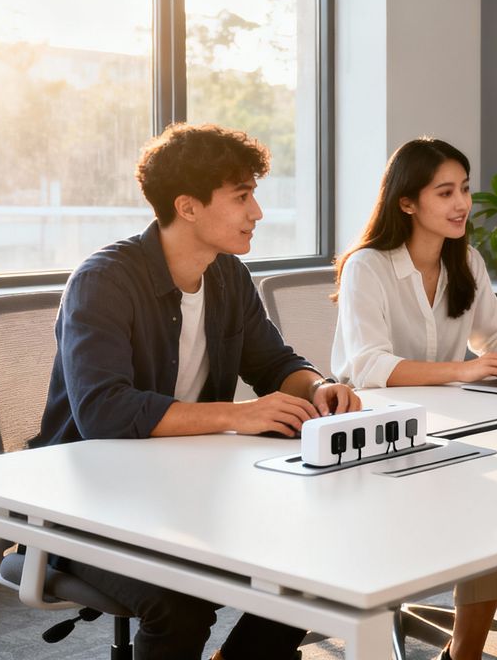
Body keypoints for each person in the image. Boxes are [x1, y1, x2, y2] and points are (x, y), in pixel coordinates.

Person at [30, 122, 360, 660]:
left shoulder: (228, 276)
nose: (257, 213)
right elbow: (104, 413)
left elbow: (274, 362)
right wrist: (239, 415)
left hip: (187, 490)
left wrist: (321, 387)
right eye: (242, 197)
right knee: (180, 604)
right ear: (187, 206)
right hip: (88, 504)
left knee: (318, 559)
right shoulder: (104, 281)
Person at [331, 137, 497, 660]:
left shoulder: (466, 260)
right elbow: (367, 366)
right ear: (407, 201)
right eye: (445, 192)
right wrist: (466, 368)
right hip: (372, 438)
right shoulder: (368, 265)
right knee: (481, 497)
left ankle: (465, 654)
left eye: (465, 189)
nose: (462, 204)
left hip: (447, 426)